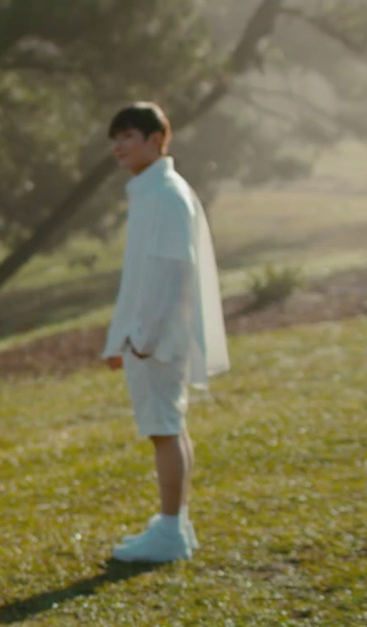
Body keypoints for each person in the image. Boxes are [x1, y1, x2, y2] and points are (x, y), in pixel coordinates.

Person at [102, 102, 229, 563]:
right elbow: (140, 274)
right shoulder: (149, 191)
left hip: (157, 339)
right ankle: (177, 522)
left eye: (128, 136)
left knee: (164, 430)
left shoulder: (166, 194)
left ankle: (172, 531)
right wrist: (123, 338)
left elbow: (173, 271)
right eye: (115, 138)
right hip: (148, 337)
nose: (118, 146)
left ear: (158, 139)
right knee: (170, 428)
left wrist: (142, 337)